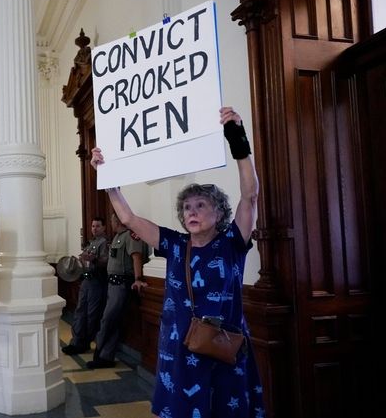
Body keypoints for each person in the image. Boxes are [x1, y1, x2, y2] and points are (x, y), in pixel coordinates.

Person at [90, 107, 265, 417]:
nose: (192, 212)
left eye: (201, 205)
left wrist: (237, 137)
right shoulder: (175, 243)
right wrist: (106, 177)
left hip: (224, 347)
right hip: (181, 348)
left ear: (219, 213)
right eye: (186, 208)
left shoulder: (231, 243)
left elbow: (250, 196)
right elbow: (128, 217)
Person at [86, 213, 148, 369]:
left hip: (121, 284)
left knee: (108, 319)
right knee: (112, 321)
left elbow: (136, 257)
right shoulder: (116, 237)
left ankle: (100, 352)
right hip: (112, 284)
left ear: (118, 221)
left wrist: (138, 278)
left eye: (113, 221)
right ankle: (105, 356)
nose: (112, 224)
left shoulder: (131, 236)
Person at [62, 217, 110, 355]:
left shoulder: (104, 243)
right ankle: (76, 341)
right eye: (93, 226)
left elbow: (106, 263)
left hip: (97, 282)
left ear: (104, 227)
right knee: (80, 311)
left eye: (98, 226)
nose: (94, 228)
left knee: (91, 314)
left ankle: (85, 342)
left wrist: (93, 259)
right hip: (86, 281)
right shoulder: (91, 243)